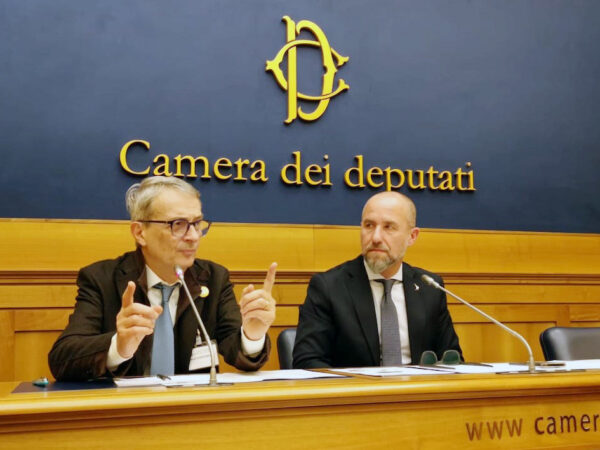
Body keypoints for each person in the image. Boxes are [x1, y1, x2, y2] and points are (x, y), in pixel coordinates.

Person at [49, 176, 276, 381]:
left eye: (197, 224)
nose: (193, 236)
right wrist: (118, 347)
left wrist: (252, 334)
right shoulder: (101, 279)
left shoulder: (213, 279)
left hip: (192, 409)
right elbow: (62, 359)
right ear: (140, 233)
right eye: (178, 225)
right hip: (124, 410)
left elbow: (238, 353)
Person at [293, 191, 462, 369]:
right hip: (355, 386)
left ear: (412, 236)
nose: (375, 238)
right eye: (369, 225)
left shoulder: (430, 287)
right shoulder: (328, 287)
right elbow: (308, 361)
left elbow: (452, 359)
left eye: (389, 227)